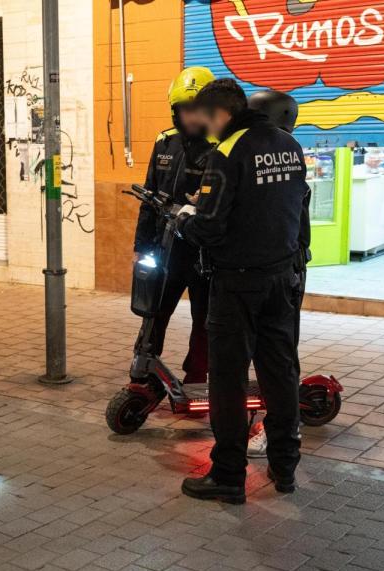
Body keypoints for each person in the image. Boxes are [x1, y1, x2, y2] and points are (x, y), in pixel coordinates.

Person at [177, 79, 306, 503]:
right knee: (280, 373)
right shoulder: (289, 145)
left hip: (237, 283)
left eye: (206, 119)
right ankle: (285, 467)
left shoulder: (227, 151)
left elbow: (210, 229)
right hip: (282, 279)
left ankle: (229, 475)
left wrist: (184, 219)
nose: (205, 128)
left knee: (228, 379)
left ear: (221, 115)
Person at [133, 66, 216, 385]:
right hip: (166, 249)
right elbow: (148, 197)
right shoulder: (165, 142)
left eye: (196, 109)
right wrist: (141, 248)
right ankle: (144, 366)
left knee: (205, 318)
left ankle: (197, 374)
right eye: (184, 109)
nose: (190, 117)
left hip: (204, 252)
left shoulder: (221, 147)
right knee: (154, 309)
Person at [243, 90, 308, 460]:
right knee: (277, 355)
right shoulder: (284, 149)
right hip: (285, 268)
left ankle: (278, 428)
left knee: (279, 357)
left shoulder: (279, 151)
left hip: (281, 270)